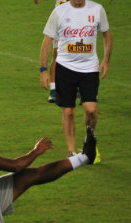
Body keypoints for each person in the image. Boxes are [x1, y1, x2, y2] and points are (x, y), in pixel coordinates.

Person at [39, 0, 111, 161]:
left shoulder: (97, 9)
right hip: (65, 68)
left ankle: (89, 141)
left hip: (90, 69)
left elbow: (107, 35)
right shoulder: (59, 11)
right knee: (68, 111)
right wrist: (43, 69)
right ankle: (71, 153)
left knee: (91, 109)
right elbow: (47, 41)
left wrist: (106, 59)